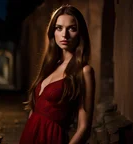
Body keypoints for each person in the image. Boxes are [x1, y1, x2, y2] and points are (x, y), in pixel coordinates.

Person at [19, 4, 95, 144]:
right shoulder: (50, 66)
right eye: (59, 28)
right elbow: (35, 109)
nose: (64, 34)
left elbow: (84, 128)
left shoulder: (84, 71)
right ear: (53, 32)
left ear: (80, 33)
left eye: (72, 28)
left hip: (51, 138)